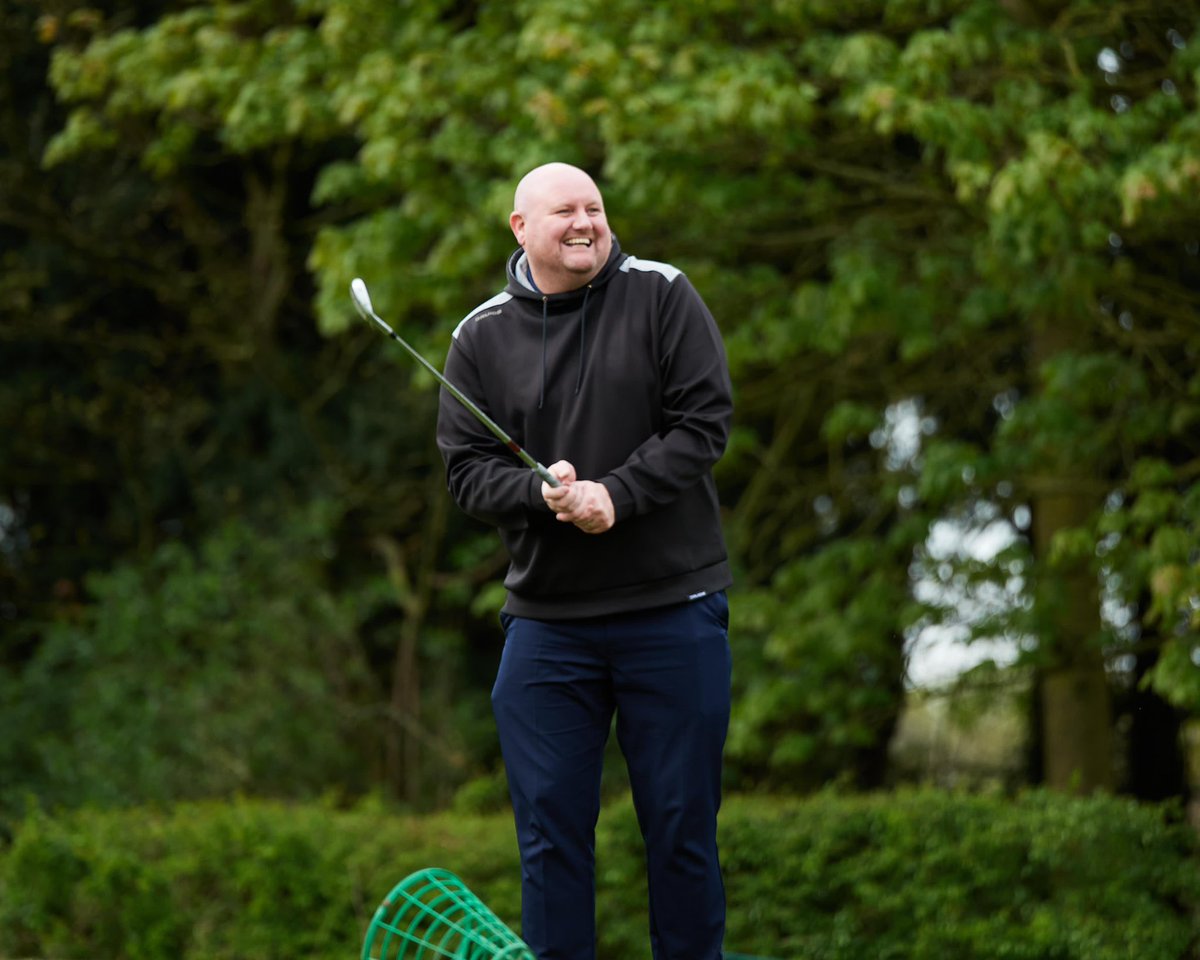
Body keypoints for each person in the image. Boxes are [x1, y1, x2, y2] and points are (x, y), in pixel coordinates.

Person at [436, 162, 733, 960]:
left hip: (673, 608)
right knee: (550, 841)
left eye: (594, 208)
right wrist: (543, 497)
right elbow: (466, 472)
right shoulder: (480, 335)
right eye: (564, 210)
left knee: (680, 832)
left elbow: (705, 423)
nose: (584, 222)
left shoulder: (663, 294)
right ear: (520, 228)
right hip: (549, 624)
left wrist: (616, 495)